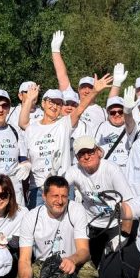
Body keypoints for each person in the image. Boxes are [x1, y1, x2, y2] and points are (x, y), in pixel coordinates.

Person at [18, 75, 111, 207]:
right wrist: (29, 100)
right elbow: (22, 122)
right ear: (43, 103)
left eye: (58, 103)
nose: (54, 106)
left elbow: (80, 109)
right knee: (38, 220)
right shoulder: (32, 127)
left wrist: (94, 91)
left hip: (61, 187)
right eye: (51, 102)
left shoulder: (64, 124)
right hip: (38, 188)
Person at [12, 175, 94, 278]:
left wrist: (72, 260)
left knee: (88, 272)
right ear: (44, 196)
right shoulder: (31, 218)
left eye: (64, 196)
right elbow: (24, 259)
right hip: (44, 264)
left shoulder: (76, 210)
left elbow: (84, 251)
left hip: (69, 262)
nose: (60, 201)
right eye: (55, 196)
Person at [65, 135, 139, 266]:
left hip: (115, 224)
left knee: (113, 266)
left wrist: (124, 235)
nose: (86, 157)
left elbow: (128, 203)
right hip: (91, 224)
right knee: (92, 265)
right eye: (81, 154)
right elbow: (58, 187)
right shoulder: (74, 171)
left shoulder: (112, 169)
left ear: (98, 152)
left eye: (90, 152)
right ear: (76, 158)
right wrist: (52, 176)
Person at [93, 95, 131, 170]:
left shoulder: (131, 126)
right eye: (113, 112)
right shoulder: (99, 127)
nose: (117, 114)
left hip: (126, 171)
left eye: (120, 112)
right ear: (108, 113)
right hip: (105, 170)